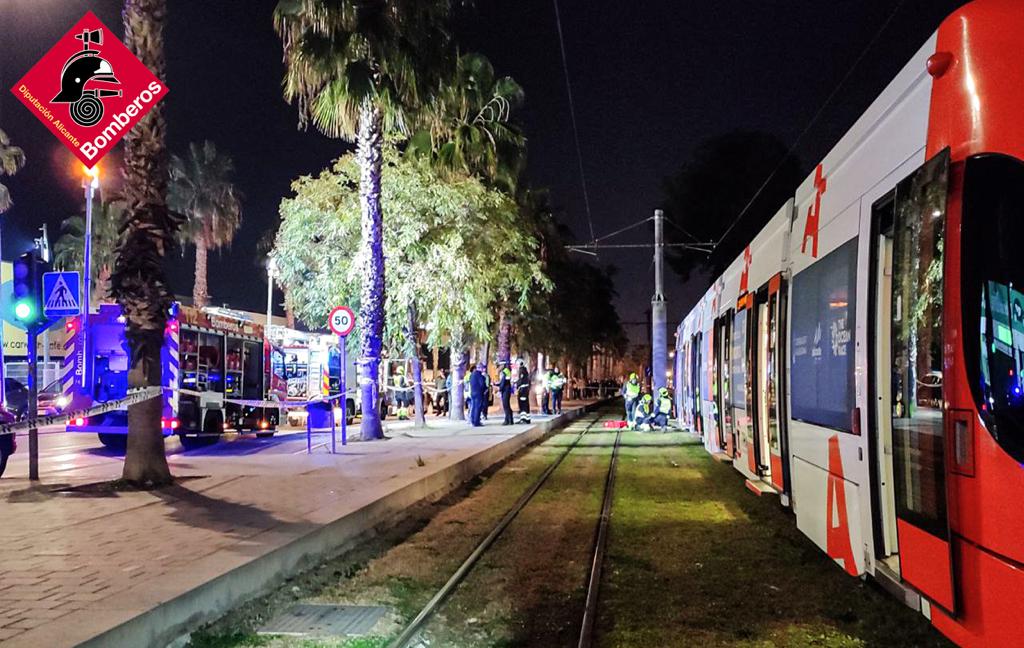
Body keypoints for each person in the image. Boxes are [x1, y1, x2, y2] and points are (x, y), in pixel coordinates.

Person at [469, 363, 488, 427]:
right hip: (479, 393)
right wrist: (485, 389)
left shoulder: (471, 375)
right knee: (478, 407)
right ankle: (476, 422)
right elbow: (482, 384)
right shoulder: (479, 375)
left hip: (473, 393)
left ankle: (473, 420)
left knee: (473, 407)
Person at [497, 361, 514, 425]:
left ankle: (508, 420)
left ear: (503, 365)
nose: (499, 367)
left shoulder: (505, 371)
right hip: (506, 390)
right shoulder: (506, 371)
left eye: (500, 365)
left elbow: (504, 382)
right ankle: (509, 420)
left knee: (506, 405)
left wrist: (499, 388)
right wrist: (497, 384)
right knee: (507, 405)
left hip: (505, 390)